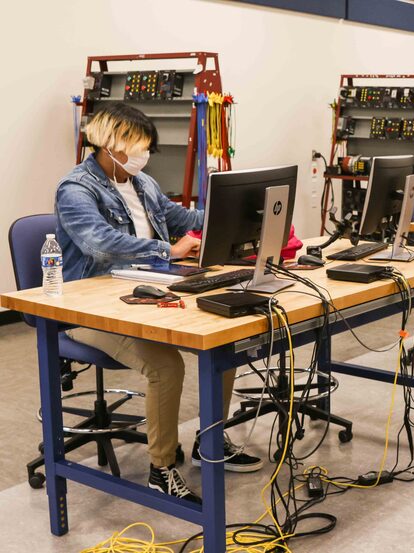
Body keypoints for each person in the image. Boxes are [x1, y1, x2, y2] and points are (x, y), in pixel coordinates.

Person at [55, 103, 262, 505]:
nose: (142, 155)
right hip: (88, 307)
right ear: (109, 145)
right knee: (166, 365)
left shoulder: (142, 183)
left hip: (148, 291)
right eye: (136, 147)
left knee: (223, 342)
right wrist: (168, 247)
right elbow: (99, 243)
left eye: (146, 148)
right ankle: (162, 468)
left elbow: (184, 217)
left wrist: (235, 213)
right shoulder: (76, 188)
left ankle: (210, 442)